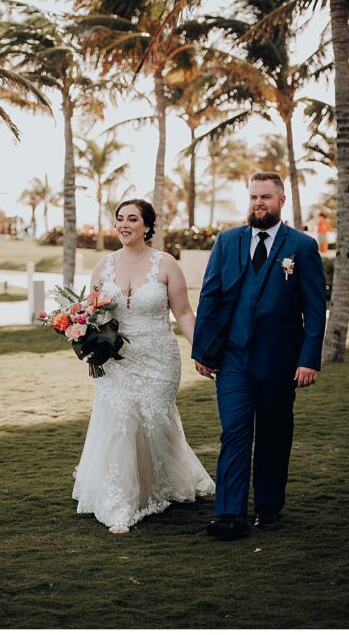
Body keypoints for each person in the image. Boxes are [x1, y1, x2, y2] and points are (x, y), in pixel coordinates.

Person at [192, 172, 326, 540]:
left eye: (265, 197)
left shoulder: (302, 246)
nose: (258, 204)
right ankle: (230, 513)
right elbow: (210, 296)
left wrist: (309, 359)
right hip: (233, 358)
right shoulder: (227, 241)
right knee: (234, 431)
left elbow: (315, 309)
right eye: (253, 197)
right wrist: (202, 350)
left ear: (281, 200)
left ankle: (268, 506)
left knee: (273, 434)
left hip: (280, 359)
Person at [73, 198, 215, 534]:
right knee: (122, 418)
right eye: (120, 219)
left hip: (158, 359)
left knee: (153, 421)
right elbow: (91, 314)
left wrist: (202, 351)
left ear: (147, 226)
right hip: (117, 360)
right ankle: (121, 503)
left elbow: (183, 313)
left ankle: (155, 485)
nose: (124, 225)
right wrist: (85, 340)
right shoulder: (103, 267)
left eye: (132, 219)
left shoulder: (166, 264)